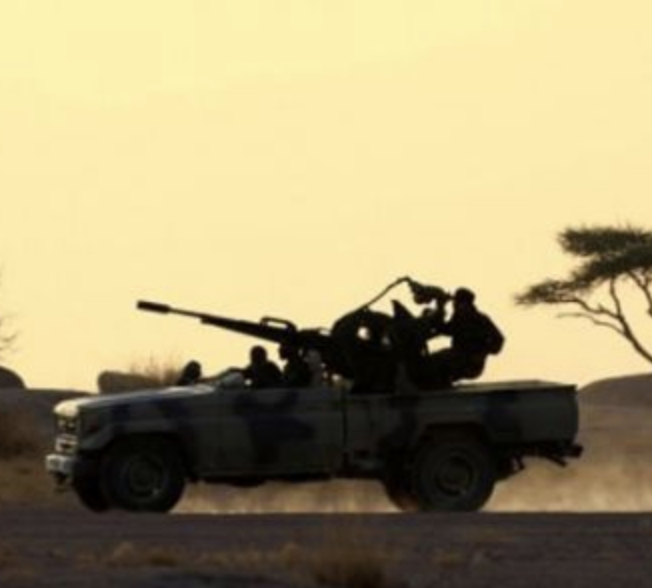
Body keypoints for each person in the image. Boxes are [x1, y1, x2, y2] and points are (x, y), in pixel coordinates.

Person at [424, 287, 504, 386]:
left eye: (457, 303)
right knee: (432, 362)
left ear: (466, 304)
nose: (454, 305)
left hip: (471, 364)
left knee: (443, 359)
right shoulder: (458, 319)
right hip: (458, 358)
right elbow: (443, 328)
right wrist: (440, 307)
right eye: (455, 303)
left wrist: (482, 352)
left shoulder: (480, 319)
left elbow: (498, 339)